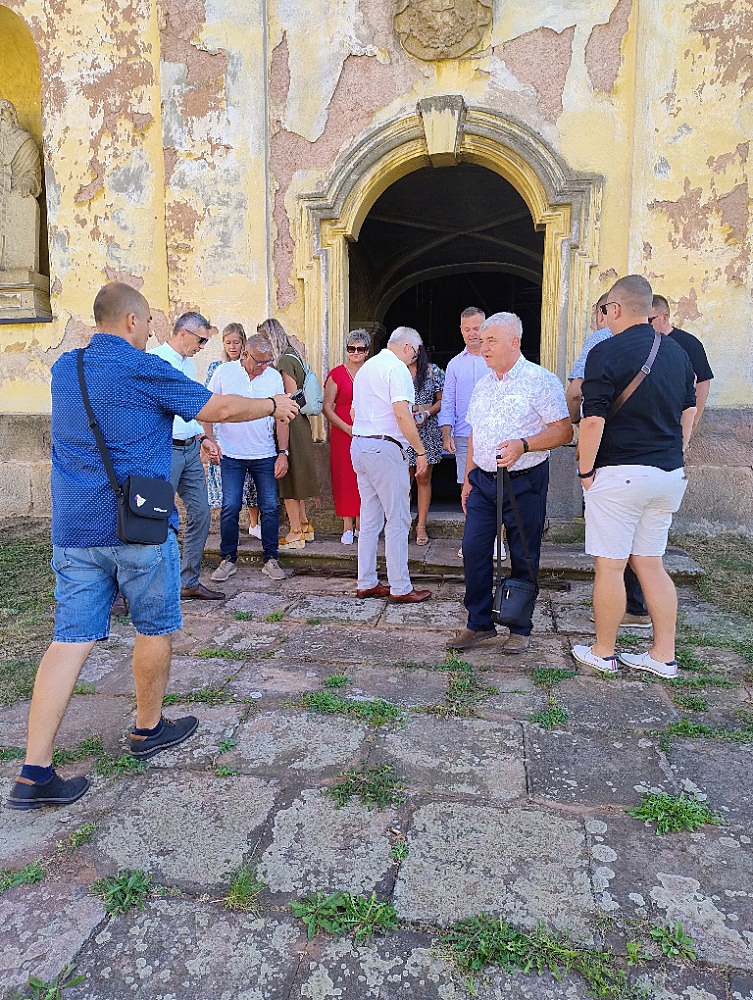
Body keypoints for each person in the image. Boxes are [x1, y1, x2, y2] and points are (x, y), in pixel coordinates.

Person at [7, 282, 298, 810]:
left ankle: (34, 770)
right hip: (138, 524)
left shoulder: (64, 369)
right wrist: (274, 403)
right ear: (132, 322)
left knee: (69, 639)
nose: (148, 333)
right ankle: (147, 727)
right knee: (153, 625)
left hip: (75, 526)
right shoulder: (143, 367)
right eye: (146, 324)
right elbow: (217, 407)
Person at [572, 275, 696, 678]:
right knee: (651, 563)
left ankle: (603, 651)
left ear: (616, 308)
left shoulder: (604, 351)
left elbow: (593, 420)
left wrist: (585, 471)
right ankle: (663, 655)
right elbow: (689, 409)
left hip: (620, 473)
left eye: (605, 309)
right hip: (667, 473)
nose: (605, 316)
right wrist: (676, 451)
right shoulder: (677, 352)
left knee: (610, 566)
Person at [447, 312, 572, 654]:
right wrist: (468, 479)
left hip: (525, 481)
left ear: (514, 342)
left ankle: (520, 627)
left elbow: (563, 431)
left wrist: (524, 445)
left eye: (491, 341)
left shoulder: (540, 380)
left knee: (523, 552)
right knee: (474, 549)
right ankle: (478, 623)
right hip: (483, 481)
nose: (482, 346)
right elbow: (475, 434)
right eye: (482, 340)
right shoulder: (484, 384)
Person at [567, 291, 650, 629]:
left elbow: (577, 391)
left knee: (611, 552)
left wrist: (582, 459)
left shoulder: (600, 343)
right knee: (646, 548)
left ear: (608, 311)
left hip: (612, 455)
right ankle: (641, 612)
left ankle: (607, 636)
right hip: (657, 459)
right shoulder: (665, 346)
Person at [351, 326, 432, 603]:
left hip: (361, 444)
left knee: (370, 519)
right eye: (416, 352)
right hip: (385, 448)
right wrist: (420, 451)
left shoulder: (367, 368)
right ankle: (400, 587)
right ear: (408, 347)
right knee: (398, 519)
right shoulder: (397, 369)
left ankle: (366, 581)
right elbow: (401, 413)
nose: (415, 357)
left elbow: (354, 412)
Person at [204, 333, 289, 583]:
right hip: (231, 453)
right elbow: (206, 408)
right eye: (260, 361)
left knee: (270, 507)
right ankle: (228, 560)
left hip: (265, 453)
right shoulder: (224, 372)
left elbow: (282, 418)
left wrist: (283, 453)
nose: (265, 366)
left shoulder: (273, 377)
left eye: (268, 361)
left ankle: (271, 559)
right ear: (245, 355)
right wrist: (210, 441)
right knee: (230, 507)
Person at [150, 312, 223, 600]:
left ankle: (188, 582)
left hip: (190, 447)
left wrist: (204, 438)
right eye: (201, 340)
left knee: (201, 512)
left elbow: (190, 410)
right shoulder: (155, 361)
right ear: (184, 332)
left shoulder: (189, 365)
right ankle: (149, 584)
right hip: (164, 448)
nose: (203, 347)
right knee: (157, 516)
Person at [259, 318, 319, 549]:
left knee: (289, 479)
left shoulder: (283, 360)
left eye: (264, 338)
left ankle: (295, 532)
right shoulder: (294, 355)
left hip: (289, 422)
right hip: (300, 423)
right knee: (298, 477)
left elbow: (290, 396)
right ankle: (304, 524)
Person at [438, 306, 488, 557]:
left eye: (476, 328)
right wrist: (446, 433)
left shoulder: (495, 359)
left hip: (494, 436)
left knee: (496, 487)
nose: (472, 333)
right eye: (467, 329)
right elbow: (448, 401)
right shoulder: (455, 364)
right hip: (463, 434)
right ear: (461, 330)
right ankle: (472, 541)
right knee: (467, 488)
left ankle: (497, 541)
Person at [206, 323, 260, 537]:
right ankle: (232, 530)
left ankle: (254, 524)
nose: (232, 346)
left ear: (243, 343)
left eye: (236, 342)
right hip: (223, 432)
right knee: (228, 486)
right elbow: (208, 401)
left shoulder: (250, 369)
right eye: (228, 342)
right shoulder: (216, 368)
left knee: (251, 480)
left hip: (247, 431)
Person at [323, 329, 369, 544]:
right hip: (343, 432)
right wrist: (346, 428)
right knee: (344, 476)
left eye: (360, 349)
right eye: (351, 348)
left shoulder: (372, 372)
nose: (355, 352)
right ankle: (347, 526)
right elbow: (327, 407)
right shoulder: (337, 374)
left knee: (364, 477)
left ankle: (362, 524)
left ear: (367, 351)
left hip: (367, 430)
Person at [650, 294, 714, 430]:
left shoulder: (690, 344)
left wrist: (693, 421)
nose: (645, 324)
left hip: (677, 420)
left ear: (664, 317)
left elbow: (702, 382)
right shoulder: (639, 344)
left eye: (649, 320)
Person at [406, 343, 444, 545]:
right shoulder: (395, 371)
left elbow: (442, 399)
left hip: (427, 430)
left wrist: (427, 413)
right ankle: (402, 524)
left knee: (423, 477)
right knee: (403, 481)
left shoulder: (433, 371)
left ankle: (421, 525)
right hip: (402, 430)